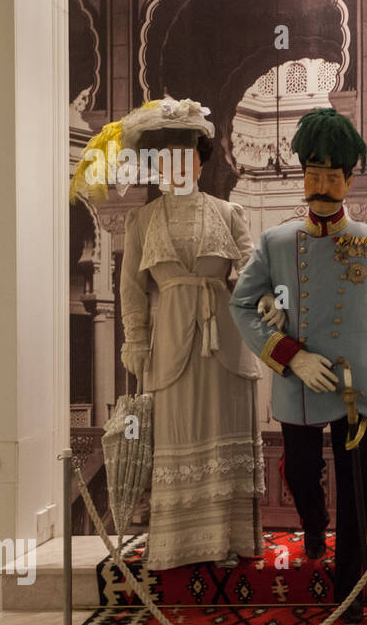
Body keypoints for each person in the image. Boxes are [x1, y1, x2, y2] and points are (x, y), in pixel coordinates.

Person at [229, 108, 367, 624]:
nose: (321, 185)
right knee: (303, 472)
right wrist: (290, 355)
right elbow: (241, 304)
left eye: (332, 175)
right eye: (313, 173)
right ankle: (312, 520)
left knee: (355, 491)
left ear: (349, 179)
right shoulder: (276, 242)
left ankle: (350, 590)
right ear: (302, 175)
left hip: (354, 387)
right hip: (298, 381)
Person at [108, 98, 266, 570]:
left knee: (224, 427)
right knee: (178, 434)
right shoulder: (142, 220)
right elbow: (131, 288)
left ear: (200, 159)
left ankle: (231, 541)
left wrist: (261, 295)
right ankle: (179, 546)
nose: (179, 163)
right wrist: (135, 338)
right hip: (171, 341)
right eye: (168, 155)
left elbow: (252, 268)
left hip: (226, 342)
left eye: (189, 153)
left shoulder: (229, 212)